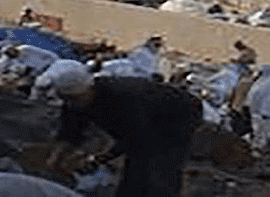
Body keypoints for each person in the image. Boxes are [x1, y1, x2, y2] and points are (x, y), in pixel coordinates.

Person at [48, 64, 203, 197]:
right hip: (146, 119)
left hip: (180, 114)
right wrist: (56, 158)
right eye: (66, 99)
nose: (71, 104)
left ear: (89, 90)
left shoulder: (123, 98)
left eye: (75, 99)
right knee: (136, 167)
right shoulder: (74, 102)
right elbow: (69, 130)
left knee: (159, 163)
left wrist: (101, 159)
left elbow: (135, 136)